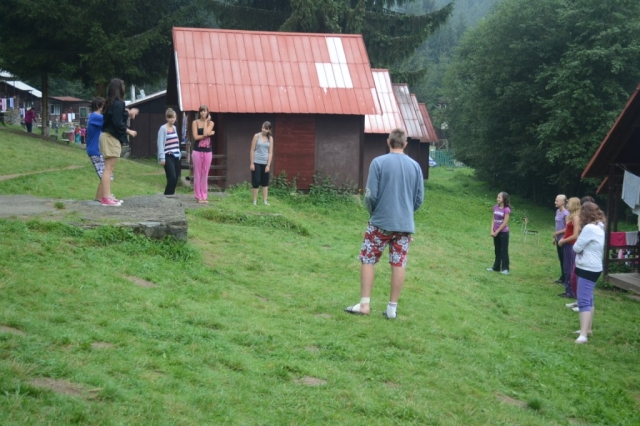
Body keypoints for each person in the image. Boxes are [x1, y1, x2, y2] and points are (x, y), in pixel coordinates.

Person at [344, 128, 424, 319]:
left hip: (380, 222)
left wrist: (374, 213)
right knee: (399, 263)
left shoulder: (378, 162)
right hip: (404, 225)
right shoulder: (415, 166)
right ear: (405, 144)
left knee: (368, 259)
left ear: (388, 142)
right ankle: (391, 309)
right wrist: (406, 213)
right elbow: (419, 198)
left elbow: (370, 195)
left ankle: (364, 305)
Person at [99, 78, 138, 207]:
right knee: (108, 168)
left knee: (109, 168)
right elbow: (117, 122)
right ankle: (106, 197)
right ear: (119, 89)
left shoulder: (110, 103)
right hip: (111, 137)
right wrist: (129, 131)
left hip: (108, 137)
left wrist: (128, 113)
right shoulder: (118, 104)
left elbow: (116, 116)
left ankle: (108, 195)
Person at [572, 202, 605, 344]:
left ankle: (583, 335)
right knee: (589, 298)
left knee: (583, 300)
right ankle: (588, 329)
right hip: (593, 267)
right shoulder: (599, 226)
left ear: (585, 213)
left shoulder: (589, 228)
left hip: (588, 267)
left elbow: (576, 247)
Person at [86, 96, 119, 205]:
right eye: (105, 105)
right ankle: (105, 197)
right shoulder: (95, 117)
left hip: (99, 150)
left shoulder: (96, 117)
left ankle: (99, 198)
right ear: (98, 106)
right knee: (106, 175)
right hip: (95, 150)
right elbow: (110, 120)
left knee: (107, 176)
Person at [558, 197, 581, 298]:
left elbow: (575, 235)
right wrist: (563, 239)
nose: (567, 205)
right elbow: (568, 232)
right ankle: (568, 290)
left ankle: (571, 292)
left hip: (572, 245)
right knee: (566, 268)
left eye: (569, 203)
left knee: (570, 269)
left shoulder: (576, 218)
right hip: (567, 244)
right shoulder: (570, 216)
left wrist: (563, 240)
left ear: (574, 205)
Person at [190, 105, 214, 204]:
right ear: (199, 112)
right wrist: (209, 133)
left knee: (205, 173)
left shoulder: (211, 123)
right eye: (201, 111)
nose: (203, 113)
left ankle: (204, 196)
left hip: (208, 151)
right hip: (197, 150)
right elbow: (197, 136)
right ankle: (198, 196)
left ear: (207, 112)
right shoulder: (195, 122)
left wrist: (207, 126)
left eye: (205, 111)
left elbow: (205, 132)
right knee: (197, 173)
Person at [157, 108, 182, 197]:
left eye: (173, 117)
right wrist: (162, 157)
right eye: (170, 117)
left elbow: (176, 141)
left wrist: (179, 153)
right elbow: (160, 143)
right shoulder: (163, 128)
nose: (172, 119)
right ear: (167, 118)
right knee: (172, 177)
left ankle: (171, 194)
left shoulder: (174, 128)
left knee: (176, 178)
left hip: (176, 156)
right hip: (168, 155)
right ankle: (167, 195)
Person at [249, 121, 274, 205]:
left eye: (266, 129)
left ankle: (265, 201)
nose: (263, 130)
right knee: (256, 182)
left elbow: (270, 152)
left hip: (265, 163)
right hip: (256, 162)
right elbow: (252, 150)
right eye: (263, 127)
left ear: (269, 130)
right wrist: (252, 163)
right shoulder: (256, 136)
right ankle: (254, 201)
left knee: (265, 182)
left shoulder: (270, 139)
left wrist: (268, 165)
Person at [487, 192, 511, 275]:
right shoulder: (495, 207)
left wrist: (497, 232)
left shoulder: (506, 209)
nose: (497, 199)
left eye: (499, 198)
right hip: (495, 233)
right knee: (497, 250)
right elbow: (493, 220)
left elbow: (505, 223)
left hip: (503, 233)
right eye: (497, 197)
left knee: (504, 251)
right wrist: (492, 231)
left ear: (504, 199)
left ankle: (505, 269)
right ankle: (496, 267)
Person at [552, 195, 569, 283]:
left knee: (564, 259)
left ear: (563, 202)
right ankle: (563, 277)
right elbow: (557, 225)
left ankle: (566, 277)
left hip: (564, 239)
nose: (555, 202)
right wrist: (555, 237)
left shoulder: (566, 213)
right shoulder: (557, 211)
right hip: (558, 239)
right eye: (555, 200)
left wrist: (557, 233)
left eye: (557, 201)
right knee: (561, 258)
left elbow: (567, 228)